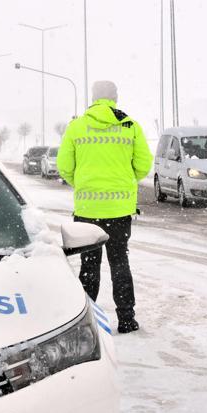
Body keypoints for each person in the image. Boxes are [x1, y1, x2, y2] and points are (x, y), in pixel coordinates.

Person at [57, 80, 153, 333]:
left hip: (87, 209)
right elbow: (144, 164)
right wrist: (124, 180)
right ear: (115, 97)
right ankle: (126, 319)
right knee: (120, 262)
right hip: (119, 211)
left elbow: (64, 166)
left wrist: (82, 184)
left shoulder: (77, 126)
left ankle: (86, 324)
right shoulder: (129, 125)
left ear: (93, 97)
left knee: (89, 265)